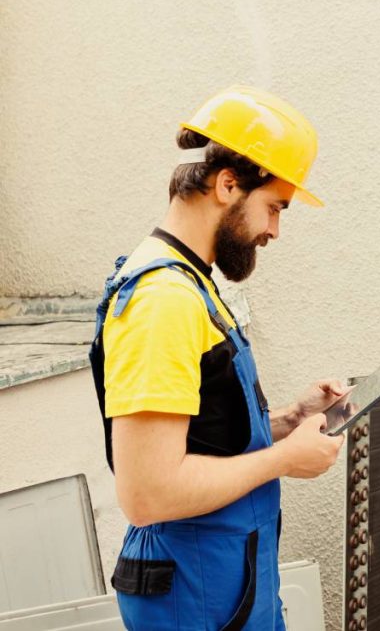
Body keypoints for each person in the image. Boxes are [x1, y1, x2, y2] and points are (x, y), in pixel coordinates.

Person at [89, 86, 353, 629]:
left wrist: (286, 421)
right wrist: (285, 460)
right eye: (275, 207)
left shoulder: (190, 282)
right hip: (195, 593)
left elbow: (198, 433)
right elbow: (147, 494)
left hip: (223, 584)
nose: (274, 231)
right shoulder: (163, 301)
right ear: (227, 185)